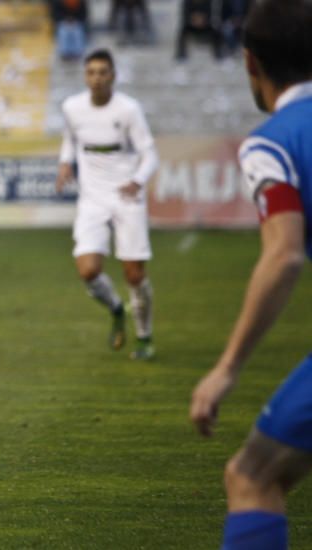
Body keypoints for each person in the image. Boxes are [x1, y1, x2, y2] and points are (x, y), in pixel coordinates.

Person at [190, 0, 312, 548]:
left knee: (252, 476)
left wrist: (227, 367)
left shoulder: (275, 141)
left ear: (249, 63)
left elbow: (284, 254)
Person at [55, 49, 158, 360]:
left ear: (113, 75)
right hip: (92, 198)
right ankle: (116, 308)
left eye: (102, 72)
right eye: (91, 72)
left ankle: (144, 337)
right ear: (85, 76)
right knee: (88, 270)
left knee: (134, 275)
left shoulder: (129, 110)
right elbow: (70, 139)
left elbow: (150, 153)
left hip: (127, 196)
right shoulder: (72, 107)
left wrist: (138, 180)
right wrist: (64, 163)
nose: (96, 78)